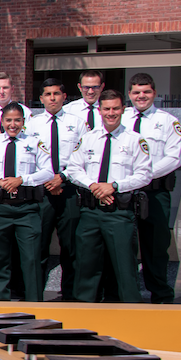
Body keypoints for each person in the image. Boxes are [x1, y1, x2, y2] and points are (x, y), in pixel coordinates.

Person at [64, 89, 153, 303]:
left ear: (123, 109)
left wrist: (114, 186)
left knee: (125, 270)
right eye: (106, 109)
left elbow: (145, 175)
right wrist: (95, 186)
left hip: (119, 214)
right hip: (90, 212)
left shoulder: (135, 140)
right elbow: (74, 169)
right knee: (86, 268)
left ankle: (131, 314)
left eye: (115, 108)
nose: (111, 113)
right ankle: (83, 317)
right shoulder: (88, 139)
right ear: (100, 110)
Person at [0, 103, 53, 302]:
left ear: (24, 122)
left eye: (17, 120)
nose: (12, 124)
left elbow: (48, 171)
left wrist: (23, 180)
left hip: (27, 208)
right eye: (8, 120)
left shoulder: (34, 143)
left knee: (31, 260)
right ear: (2, 121)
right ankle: (1, 304)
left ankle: (34, 303)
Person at [127, 72, 181, 303]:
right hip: (125, 193)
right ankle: (125, 293)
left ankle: (160, 295)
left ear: (155, 93)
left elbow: (174, 159)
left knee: (156, 246)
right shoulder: (120, 119)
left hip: (155, 192)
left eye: (146, 92)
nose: (141, 96)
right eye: (136, 92)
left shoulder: (168, 121)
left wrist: (143, 176)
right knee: (123, 245)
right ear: (129, 95)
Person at [28, 77, 88, 299]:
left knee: (70, 247)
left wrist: (61, 177)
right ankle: (35, 296)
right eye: (48, 94)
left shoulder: (78, 123)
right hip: (42, 191)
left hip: (69, 188)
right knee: (39, 246)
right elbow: (28, 159)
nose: (52, 98)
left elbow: (82, 158)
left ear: (64, 97)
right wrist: (47, 180)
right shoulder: (31, 124)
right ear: (41, 98)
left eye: (56, 94)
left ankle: (70, 296)